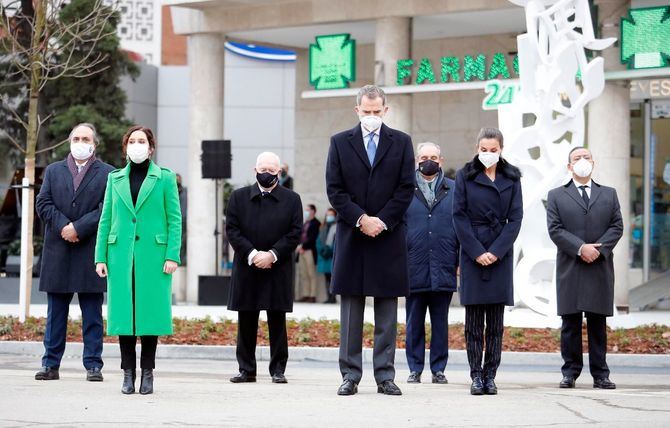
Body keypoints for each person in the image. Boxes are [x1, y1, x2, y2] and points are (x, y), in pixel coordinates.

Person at [326, 84, 415, 396]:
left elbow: (406, 188)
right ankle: (350, 375)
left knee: (387, 314)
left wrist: (383, 221)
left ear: (385, 110)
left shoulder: (402, 142)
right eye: (367, 112)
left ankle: (385, 376)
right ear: (357, 110)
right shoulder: (339, 143)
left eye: (377, 112)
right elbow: (335, 189)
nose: (372, 117)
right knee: (351, 312)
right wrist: (362, 219)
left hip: (388, 237)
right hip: (353, 235)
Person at [95, 125, 182, 395]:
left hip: (154, 257)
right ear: (126, 147)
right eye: (132, 141)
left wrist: (172, 255)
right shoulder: (115, 179)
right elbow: (106, 218)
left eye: (141, 140)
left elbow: (175, 220)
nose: (136, 145)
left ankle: (147, 373)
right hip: (120, 255)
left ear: (151, 147)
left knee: (149, 316)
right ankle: (127, 373)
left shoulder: (165, 179)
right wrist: (100, 255)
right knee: (124, 317)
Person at [34, 123, 115, 381]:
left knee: (92, 314)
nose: (81, 142)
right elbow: (43, 203)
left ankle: (93, 365)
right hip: (58, 249)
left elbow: (107, 209)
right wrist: (64, 227)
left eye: (86, 138)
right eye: (77, 138)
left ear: (95, 143)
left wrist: (79, 228)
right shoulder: (53, 170)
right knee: (55, 314)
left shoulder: (108, 174)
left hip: (90, 251)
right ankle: (50, 364)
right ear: (70, 142)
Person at [452, 127, 523, 396]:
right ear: (477, 148)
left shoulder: (512, 177)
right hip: (473, 253)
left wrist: (496, 251)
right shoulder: (465, 175)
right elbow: (458, 216)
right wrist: (476, 251)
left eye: (493, 150)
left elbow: (516, 218)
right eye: (484, 150)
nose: (488, 154)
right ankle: (475, 376)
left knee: (495, 323)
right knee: (473, 323)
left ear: (501, 149)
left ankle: (490, 375)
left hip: (500, 253)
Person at [546, 147, 623, 390]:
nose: (582, 161)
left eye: (586, 157)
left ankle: (601, 374)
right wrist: (581, 248)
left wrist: (598, 250)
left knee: (597, 324)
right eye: (576, 158)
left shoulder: (609, 194)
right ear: (569, 166)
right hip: (571, 267)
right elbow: (555, 229)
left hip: (599, 267)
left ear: (593, 162)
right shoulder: (557, 195)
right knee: (570, 324)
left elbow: (617, 226)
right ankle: (570, 372)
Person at [225, 152, 302, 384]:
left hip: (277, 267)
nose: (266, 173)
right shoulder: (238, 197)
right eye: (262, 169)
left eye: (271, 170)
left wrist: (272, 254)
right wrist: (252, 254)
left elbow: (295, 232)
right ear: (254, 170)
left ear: (279, 172)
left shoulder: (292, 199)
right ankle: (246, 369)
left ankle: (278, 369)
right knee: (246, 319)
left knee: (277, 320)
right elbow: (232, 230)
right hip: (247, 266)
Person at [404, 142, 459, 385]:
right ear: (417, 160)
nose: (429, 161)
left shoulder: (454, 190)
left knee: (440, 322)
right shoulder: (404, 190)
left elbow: (460, 227)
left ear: (441, 160)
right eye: (424, 157)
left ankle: (438, 369)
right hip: (412, 264)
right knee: (413, 322)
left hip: (444, 262)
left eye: (433, 157)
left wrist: (457, 261)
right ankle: (414, 368)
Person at [297, 204, 320, 302]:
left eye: (308, 210)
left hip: (309, 250)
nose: (306, 212)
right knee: (303, 273)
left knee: (311, 273)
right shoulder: (305, 223)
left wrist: (304, 246)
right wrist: (299, 246)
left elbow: (313, 238)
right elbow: (300, 235)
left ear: (313, 211)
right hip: (301, 251)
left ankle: (312, 295)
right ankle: (306, 294)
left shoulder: (316, 223)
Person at [316, 207, 337, 304]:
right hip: (324, 257)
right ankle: (328, 297)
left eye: (331, 215)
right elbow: (318, 241)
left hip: (332, 256)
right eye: (328, 215)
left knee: (333, 277)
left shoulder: (337, 227)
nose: (329, 217)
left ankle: (333, 297)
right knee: (326, 277)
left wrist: (330, 250)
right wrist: (322, 250)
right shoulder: (322, 227)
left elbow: (338, 242)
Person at [176, 173, 187, 265]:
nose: (177, 182)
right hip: (174, 219)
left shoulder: (185, 192)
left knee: (183, 240)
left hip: (183, 219)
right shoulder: (170, 191)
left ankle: (182, 260)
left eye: (178, 180)